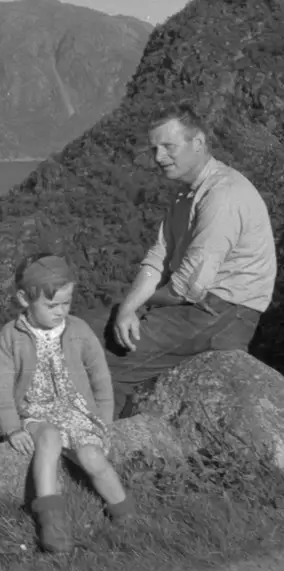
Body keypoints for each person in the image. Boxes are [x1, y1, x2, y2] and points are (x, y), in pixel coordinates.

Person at [101, 103, 277, 417]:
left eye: (169, 147)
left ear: (198, 143)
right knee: (86, 329)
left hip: (221, 311)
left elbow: (189, 287)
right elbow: (158, 256)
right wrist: (128, 307)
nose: (158, 157)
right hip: (194, 306)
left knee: (102, 362)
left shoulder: (222, 196)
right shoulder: (187, 195)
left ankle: (91, 454)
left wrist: (141, 305)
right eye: (155, 149)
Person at [0, 253, 134, 554]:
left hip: (77, 410)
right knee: (48, 439)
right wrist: (12, 429)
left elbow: (100, 376)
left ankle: (125, 515)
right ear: (23, 299)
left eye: (66, 303)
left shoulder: (79, 330)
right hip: (35, 410)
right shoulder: (10, 337)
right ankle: (52, 523)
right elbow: (2, 387)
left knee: (93, 458)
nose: (60, 311)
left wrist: (104, 421)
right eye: (51, 305)